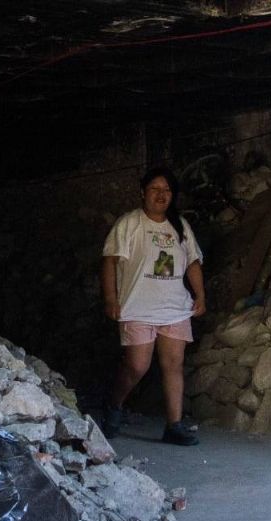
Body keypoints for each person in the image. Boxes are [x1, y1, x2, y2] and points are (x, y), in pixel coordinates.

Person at [100, 166, 206, 446]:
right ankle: (114, 405)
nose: (161, 195)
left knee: (174, 364)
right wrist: (111, 299)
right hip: (137, 306)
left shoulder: (180, 226)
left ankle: (174, 425)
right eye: (155, 189)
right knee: (137, 365)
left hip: (174, 306)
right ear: (143, 193)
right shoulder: (129, 223)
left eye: (167, 190)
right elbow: (110, 260)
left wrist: (200, 295)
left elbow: (193, 262)